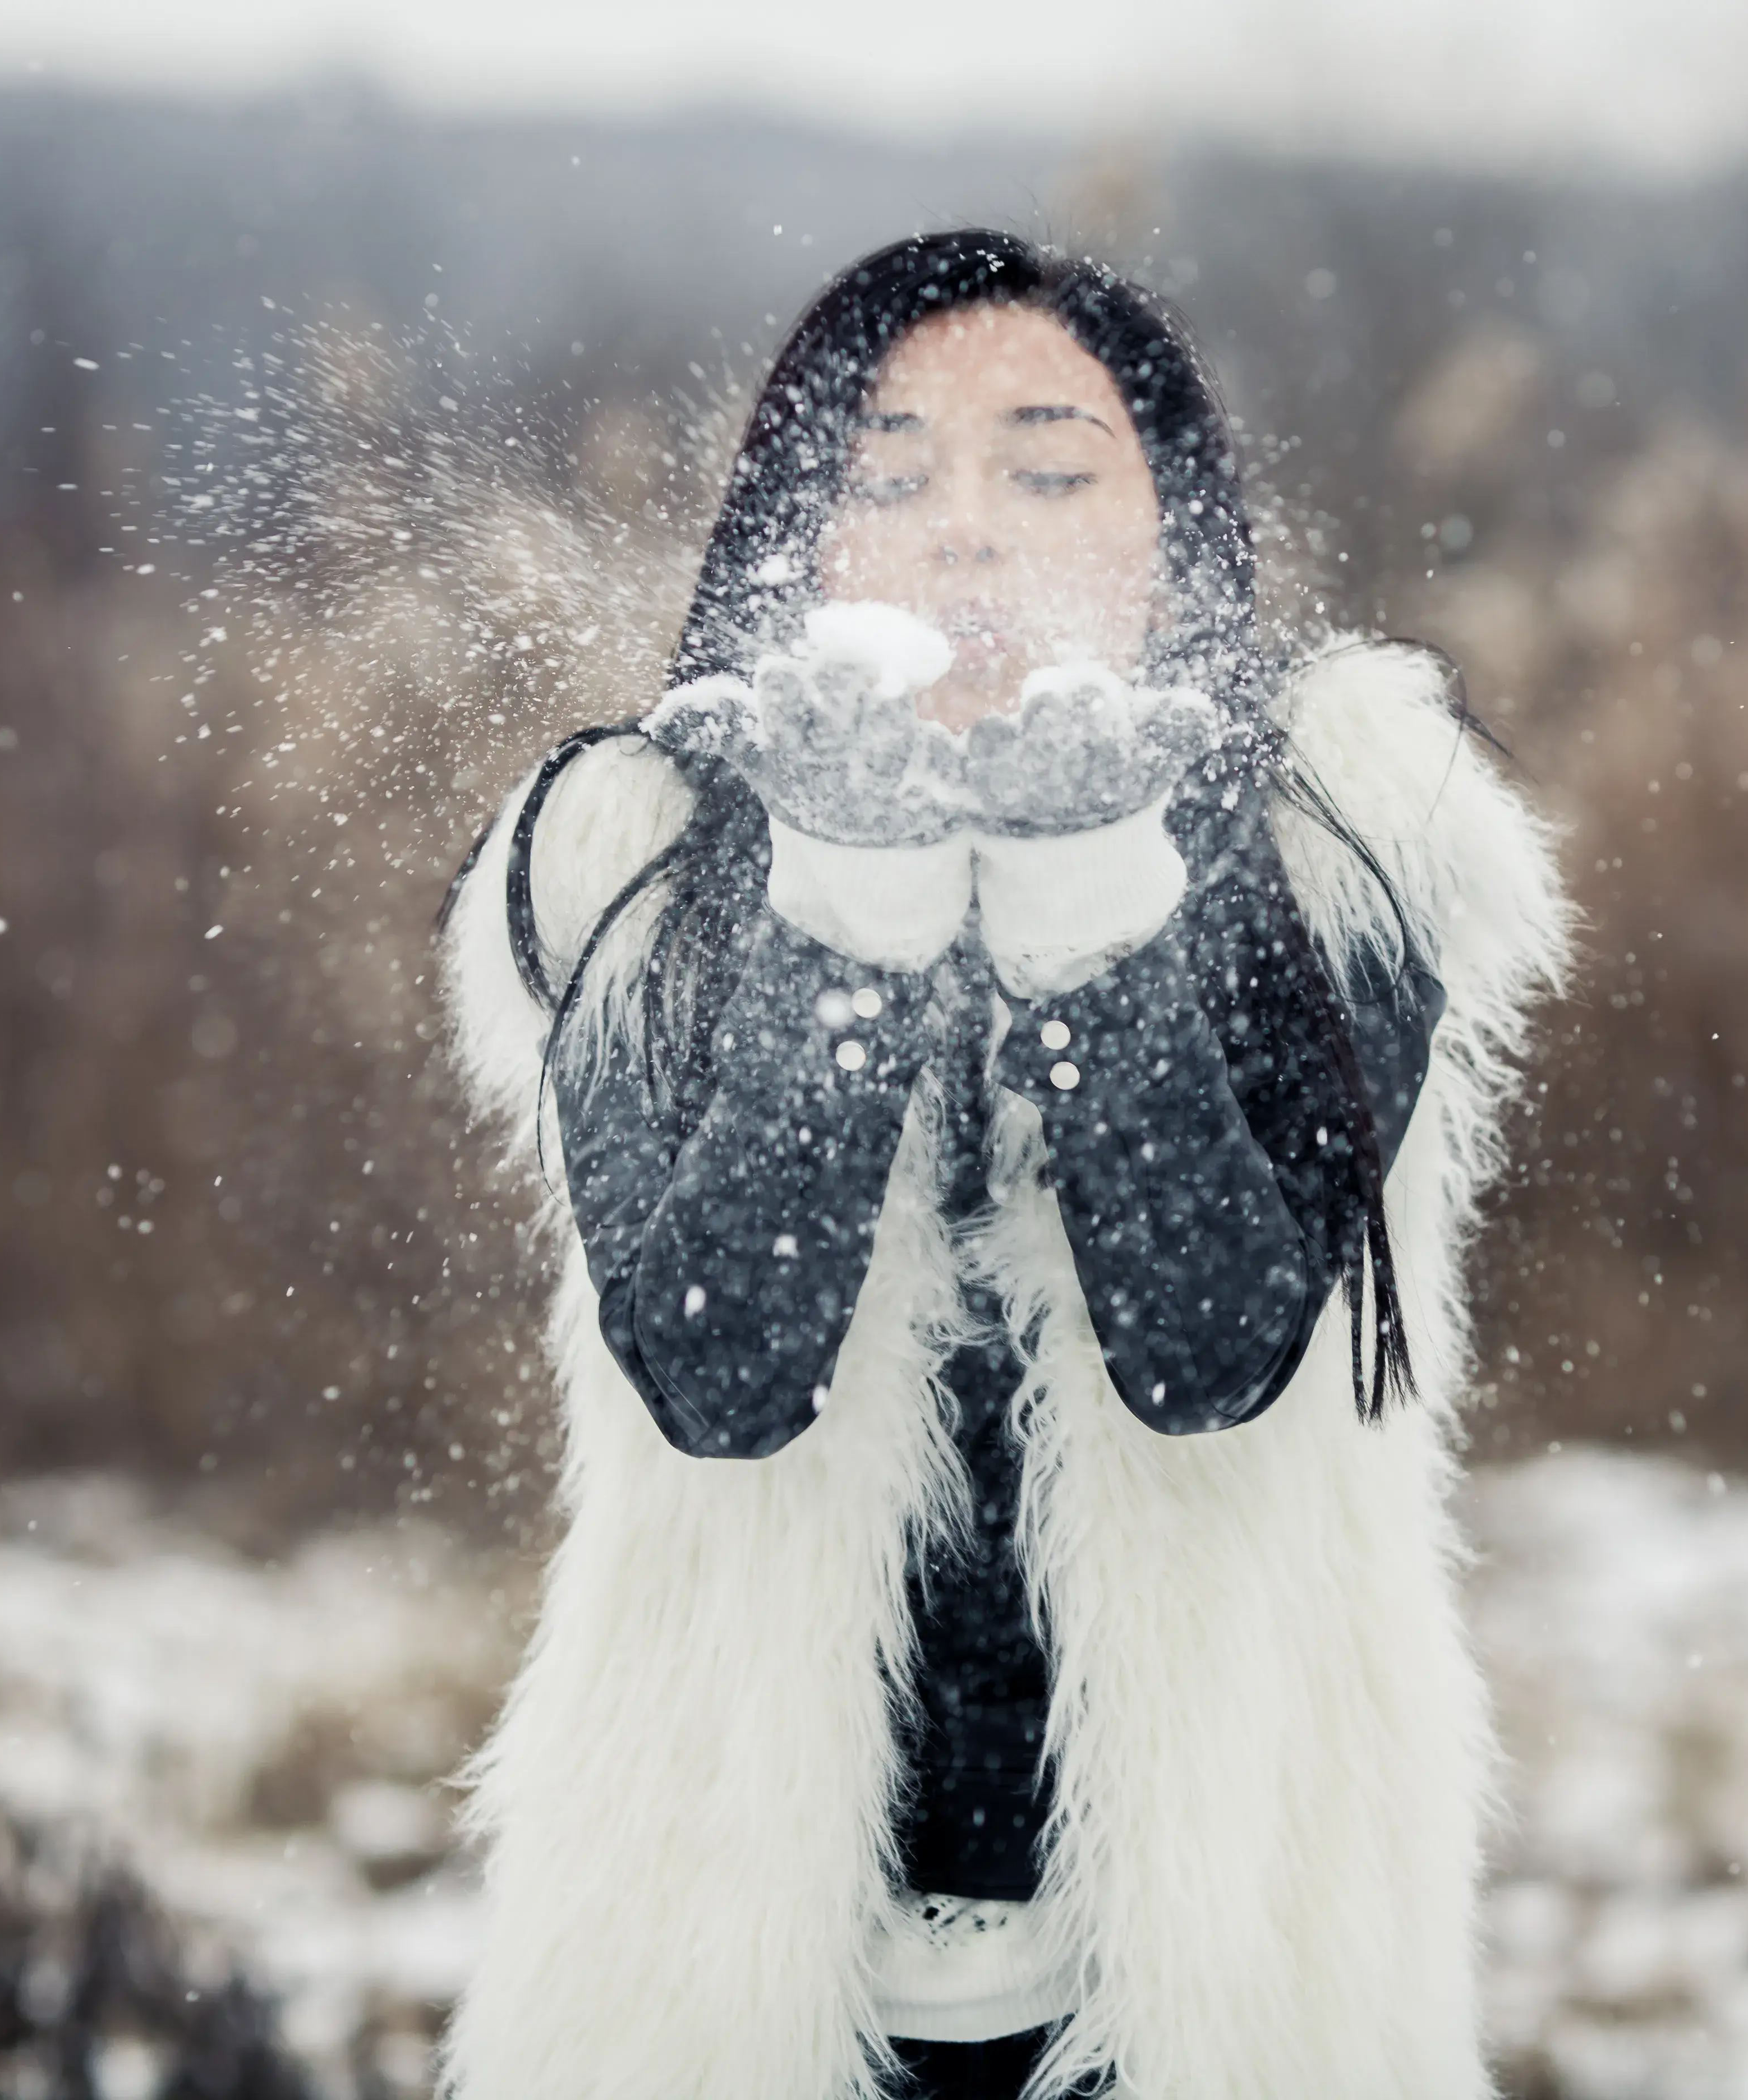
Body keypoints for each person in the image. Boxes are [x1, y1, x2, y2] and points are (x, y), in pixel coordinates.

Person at [433, 229, 1570, 2100]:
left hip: (1231, 1963)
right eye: (884, 476)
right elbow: (725, 1372)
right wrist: (852, 906)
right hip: (723, 1973)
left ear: (1172, 533)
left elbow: (1208, 1352)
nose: (969, 529)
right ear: (794, 545)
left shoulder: (1339, 848)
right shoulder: (635, 861)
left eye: (1051, 470)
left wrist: (1088, 902)